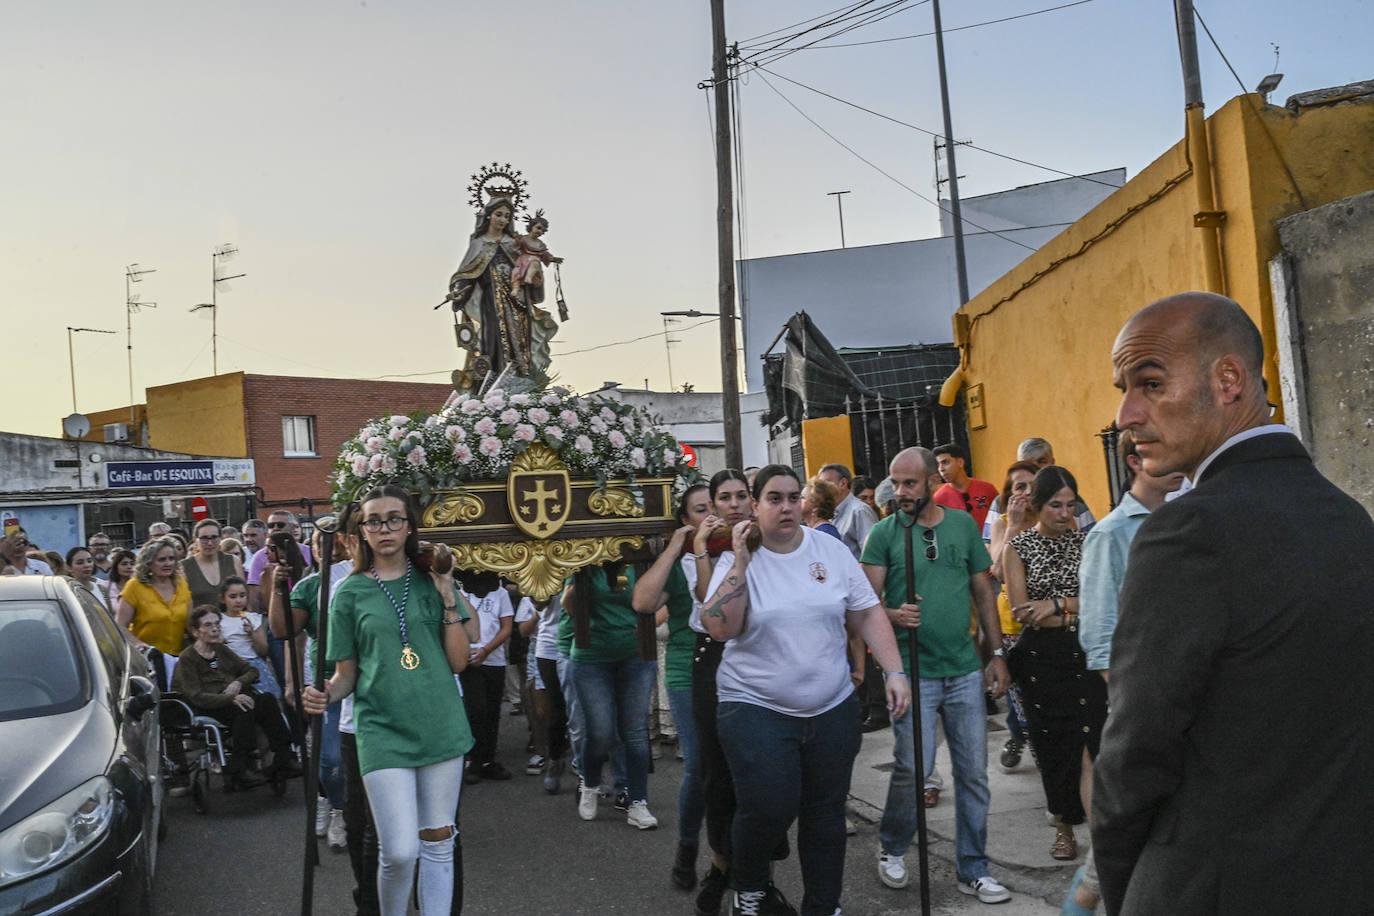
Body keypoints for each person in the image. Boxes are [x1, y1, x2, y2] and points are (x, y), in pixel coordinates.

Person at [1092, 292, 1374, 915]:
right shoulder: (1349, 518)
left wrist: (1122, 891)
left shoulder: (1187, 532)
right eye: (1124, 388)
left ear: (1227, 381)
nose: (1126, 413)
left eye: (1150, 383)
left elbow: (1135, 754)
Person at [703, 464, 911, 916]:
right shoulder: (734, 557)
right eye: (774, 499)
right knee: (768, 809)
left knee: (825, 813)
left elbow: (867, 612)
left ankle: (824, 905)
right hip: (755, 706)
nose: (785, 507)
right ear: (755, 506)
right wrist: (740, 562)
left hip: (830, 706)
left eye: (793, 497)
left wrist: (894, 671)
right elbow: (721, 629)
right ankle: (751, 889)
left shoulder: (829, 551)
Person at [301, 484, 476, 916]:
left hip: (440, 723)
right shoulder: (349, 592)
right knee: (398, 850)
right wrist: (324, 694)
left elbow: (459, 661)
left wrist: (448, 595)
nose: (384, 528)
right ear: (360, 530)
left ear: (409, 526)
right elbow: (346, 675)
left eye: (394, 518)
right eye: (373, 521)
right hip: (381, 729)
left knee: (438, 840)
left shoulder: (433, 580)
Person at [862, 447, 1012, 904]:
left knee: (973, 773)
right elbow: (864, 604)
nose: (900, 491)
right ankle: (892, 846)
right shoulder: (884, 534)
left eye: (909, 483)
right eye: (895, 482)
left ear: (931, 483)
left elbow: (983, 592)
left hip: (964, 668)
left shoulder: (963, 525)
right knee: (913, 768)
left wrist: (996, 653)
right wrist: (892, 612)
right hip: (913, 672)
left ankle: (973, 868)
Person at [1060, 431, 1183, 915]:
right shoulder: (1111, 534)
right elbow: (1098, 638)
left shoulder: (1187, 520)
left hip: (1181, 703)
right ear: (1134, 460)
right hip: (1142, 710)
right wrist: (1143, 707)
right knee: (1119, 843)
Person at [1002, 466, 1108, 862]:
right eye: (1055, 506)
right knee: (1053, 745)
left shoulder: (1088, 543)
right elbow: (1024, 611)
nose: (1065, 513)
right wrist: (1071, 612)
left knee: (1089, 743)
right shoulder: (1019, 546)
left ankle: (1100, 833)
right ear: (1037, 505)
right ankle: (1063, 825)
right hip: (1041, 660)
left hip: (1087, 654)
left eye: (1070, 505)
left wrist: (1058, 606)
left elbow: (1103, 600)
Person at [632, 483, 712, 890]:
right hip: (688, 667)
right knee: (699, 766)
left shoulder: (744, 550)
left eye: (716, 506)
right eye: (701, 510)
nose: (712, 515)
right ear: (685, 519)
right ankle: (686, 848)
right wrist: (675, 547)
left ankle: (729, 859)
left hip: (739, 669)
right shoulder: (679, 564)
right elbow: (643, 603)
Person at [567, 558, 660, 830]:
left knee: (634, 733)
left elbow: (662, 599)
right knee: (601, 732)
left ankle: (638, 801)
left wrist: (648, 622)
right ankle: (590, 781)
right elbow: (569, 607)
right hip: (591, 658)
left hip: (636, 656)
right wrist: (574, 586)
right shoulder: (584, 559)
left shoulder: (640, 558)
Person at [173, 605, 300, 789]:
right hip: (207, 705)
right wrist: (230, 698)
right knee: (243, 708)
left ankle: (284, 756)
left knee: (266, 700)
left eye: (217, 624)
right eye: (208, 625)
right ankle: (239, 767)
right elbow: (196, 696)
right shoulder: (188, 658)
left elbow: (251, 671)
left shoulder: (221, 650)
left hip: (232, 700)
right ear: (195, 631)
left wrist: (238, 683)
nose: (215, 629)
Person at [447, 196, 558, 378]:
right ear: (489, 215)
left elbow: (529, 265)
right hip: (491, 300)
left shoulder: (514, 243)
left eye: (507, 216)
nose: (503, 220)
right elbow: (466, 274)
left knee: (522, 340)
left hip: (518, 300)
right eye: (498, 214)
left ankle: (523, 379)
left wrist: (536, 278)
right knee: (493, 340)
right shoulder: (479, 243)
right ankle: (494, 378)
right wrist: (458, 291)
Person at [985, 460, 1042, 771]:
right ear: (1009, 494)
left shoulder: (1054, 518)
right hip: (1014, 625)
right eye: (1020, 487)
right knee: (1021, 696)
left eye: (1033, 485)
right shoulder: (1002, 524)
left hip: (1051, 621)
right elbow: (997, 571)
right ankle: (1024, 738)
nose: (1027, 492)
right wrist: (1014, 525)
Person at [457, 570, 515, 783]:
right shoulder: (461, 593)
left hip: (493, 659)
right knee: (475, 709)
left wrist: (486, 650)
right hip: (469, 659)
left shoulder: (500, 593)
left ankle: (488, 759)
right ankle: (473, 759)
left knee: (492, 711)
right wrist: (466, 649)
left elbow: (506, 627)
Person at [116, 536, 193, 655]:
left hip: (177, 659)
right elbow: (120, 626)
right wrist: (138, 644)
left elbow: (190, 624)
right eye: (161, 560)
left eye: (171, 558)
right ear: (149, 563)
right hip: (146, 659)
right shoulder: (134, 586)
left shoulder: (181, 583)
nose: (168, 563)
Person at [219, 575, 280, 697]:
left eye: (242, 596)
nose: (238, 600)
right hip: (230, 667)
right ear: (222, 599)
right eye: (233, 596)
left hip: (253, 663)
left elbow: (263, 650)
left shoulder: (252, 618)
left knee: (268, 697)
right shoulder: (219, 620)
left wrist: (252, 634)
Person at [932, 443, 1000, 533]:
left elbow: (1001, 517)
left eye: (945, 462)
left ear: (960, 462)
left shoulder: (987, 488)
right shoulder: (938, 498)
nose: (941, 469)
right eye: (938, 465)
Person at [818, 463, 877, 561]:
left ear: (843, 483)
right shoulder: (832, 511)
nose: (821, 489)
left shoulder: (859, 511)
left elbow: (871, 554)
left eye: (826, 483)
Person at [183, 519, 243, 611]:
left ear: (220, 539)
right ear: (196, 540)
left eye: (214, 537)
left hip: (231, 622)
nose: (210, 543)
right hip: (199, 623)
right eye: (204, 538)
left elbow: (244, 596)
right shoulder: (184, 566)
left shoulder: (234, 561)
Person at [508, 210, 564, 304]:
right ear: (531, 227)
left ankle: (529, 278)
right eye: (538, 228)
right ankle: (515, 289)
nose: (540, 232)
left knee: (535, 261)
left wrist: (553, 259)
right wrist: (516, 241)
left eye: (543, 231)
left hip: (534, 267)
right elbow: (515, 248)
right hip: (522, 262)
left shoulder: (540, 244)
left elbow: (545, 255)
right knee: (516, 273)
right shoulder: (523, 239)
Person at [65, 545, 110, 612]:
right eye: (80, 563)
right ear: (69, 568)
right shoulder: (66, 592)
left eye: (89, 561)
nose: (86, 565)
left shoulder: (102, 590)